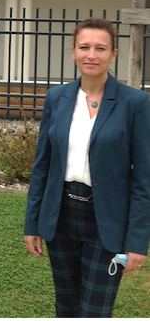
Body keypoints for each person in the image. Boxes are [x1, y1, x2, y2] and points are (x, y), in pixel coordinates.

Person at [24, 18, 150, 317]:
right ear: (73, 52)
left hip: (106, 223)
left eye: (100, 48)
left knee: (95, 311)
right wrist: (33, 223)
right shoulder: (57, 98)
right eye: (84, 47)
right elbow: (43, 164)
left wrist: (137, 241)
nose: (91, 55)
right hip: (62, 217)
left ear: (114, 54)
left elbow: (144, 178)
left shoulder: (135, 103)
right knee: (66, 307)